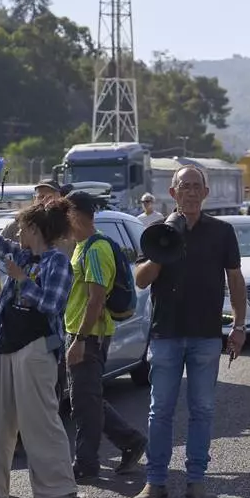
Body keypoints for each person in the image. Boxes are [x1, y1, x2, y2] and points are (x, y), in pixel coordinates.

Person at [0, 172, 78, 498]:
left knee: (39, 422)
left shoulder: (58, 261)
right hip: (6, 344)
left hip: (37, 347)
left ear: (36, 230)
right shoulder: (23, 256)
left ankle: (57, 490)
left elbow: (53, 305)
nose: (18, 233)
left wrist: (23, 281)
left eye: (23, 227)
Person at [131, 165, 247, 498]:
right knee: (160, 411)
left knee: (203, 410)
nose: (192, 192)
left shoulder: (222, 231)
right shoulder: (156, 230)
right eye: (185, 187)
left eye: (197, 186)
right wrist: (164, 245)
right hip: (165, 334)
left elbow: (235, 279)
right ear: (173, 193)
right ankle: (155, 482)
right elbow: (141, 280)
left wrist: (239, 326)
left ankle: (196, 481)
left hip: (206, 335)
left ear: (206, 193)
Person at [63, 191, 147, 481]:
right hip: (79, 332)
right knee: (88, 399)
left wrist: (80, 340)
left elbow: (96, 299)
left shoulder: (96, 249)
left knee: (83, 404)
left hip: (90, 336)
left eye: (64, 212)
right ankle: (131, 441)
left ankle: (86, 464)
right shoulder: (81, 246)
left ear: (75, 214)